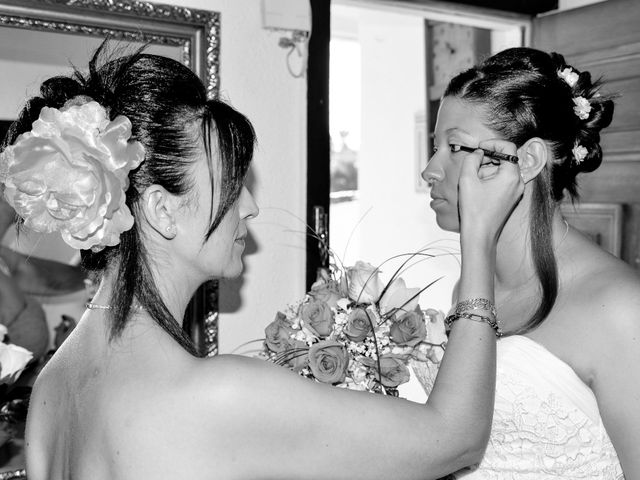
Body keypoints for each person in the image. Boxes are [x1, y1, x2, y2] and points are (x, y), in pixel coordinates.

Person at [2, 43, 522, 480]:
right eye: (233, 183)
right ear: (163, 209)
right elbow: (455, 439)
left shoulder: (53, 383)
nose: (249, 205)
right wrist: (478, 240)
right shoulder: (210, 394)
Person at [421, 46, 639, 479]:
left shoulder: (620, 307)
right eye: (435, 148)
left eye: (454, 147)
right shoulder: (471, 289)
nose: (429, 170)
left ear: (527, 160)